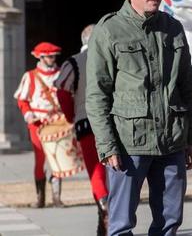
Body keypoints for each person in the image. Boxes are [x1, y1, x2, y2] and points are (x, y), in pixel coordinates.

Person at [86, 0, 192, 236]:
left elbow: (187, 88)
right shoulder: (108, 30)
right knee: (121, 223)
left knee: (170, 221)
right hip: (128, 144)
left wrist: (190, 140)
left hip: (172, 141)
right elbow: (97, 94)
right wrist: (107, 146)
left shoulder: (173, 28)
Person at [55, 24, 109, 236]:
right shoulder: (111, 58)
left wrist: (70, 116)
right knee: (114, 171)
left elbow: (62, 92)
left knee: (95, 171)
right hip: (113, 121)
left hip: (86, 123)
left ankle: (104, 205)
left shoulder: (73, 62)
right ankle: (109, 215)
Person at [14, 41, 65, 208]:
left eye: (53, 56)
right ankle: (40, 198)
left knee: (58, 159)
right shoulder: (30, 76)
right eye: (48, 57)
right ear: (41, 57)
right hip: (37, 123)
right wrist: (28, 114)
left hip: (58, 122)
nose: (52, 59)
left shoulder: (61, 74)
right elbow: (22, 100)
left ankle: (57, 198)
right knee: (40, 159)